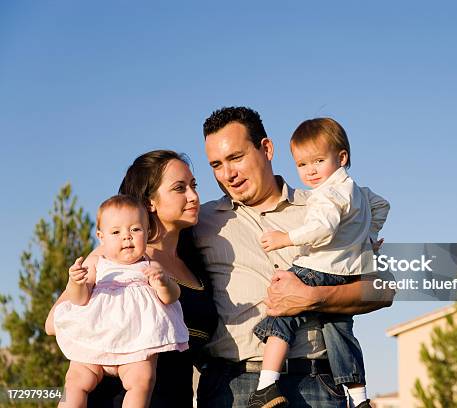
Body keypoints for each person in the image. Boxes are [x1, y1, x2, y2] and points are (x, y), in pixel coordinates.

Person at [195, 106, 394, 408]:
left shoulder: (324, 205)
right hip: (231, 388)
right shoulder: (201, 222)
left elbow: (384, 290)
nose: (228, 174)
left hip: (317, 385)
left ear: (266, 148)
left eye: (236, 158)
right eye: (216, 164)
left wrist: (315, 297)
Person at [46, 150, 218, 407]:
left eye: (193, 186)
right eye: (179, 188)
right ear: (150, 202)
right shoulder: (116, 259)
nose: (193, 196)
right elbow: (53, 323)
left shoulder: (194, 265)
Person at [251, 117, 390, 408]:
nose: (310, 171)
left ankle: (266, 384)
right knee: (338, 328)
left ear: (341, 158)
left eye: (318, 161)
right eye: (302, 164)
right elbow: (382, 205)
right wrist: (366, 236)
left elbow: (321, 229)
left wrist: (284, 238)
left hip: (320, 266)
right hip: (346, 272)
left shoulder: (326, 194)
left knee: (281, 307)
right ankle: (360, 398)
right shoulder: (356, 191)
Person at [54, 194, 189, 407]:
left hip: (137, 344)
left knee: (142, 381)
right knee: (75, 381)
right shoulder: (97, 264)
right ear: (101, 237)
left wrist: (162, 282)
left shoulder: (150, 266)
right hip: (96, 338)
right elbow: (79, 300)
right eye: (116, 232)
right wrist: (76, 283)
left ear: (147, 232)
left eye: (135, 229)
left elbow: (172, 297)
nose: (126, 237)